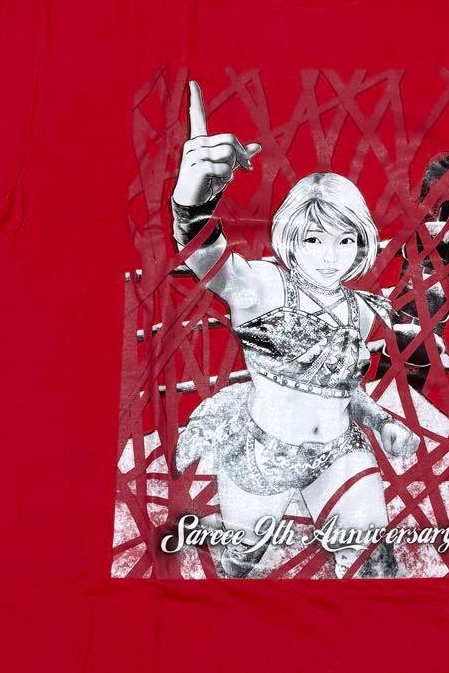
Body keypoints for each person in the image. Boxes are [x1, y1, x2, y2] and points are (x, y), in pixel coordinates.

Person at [169, 79, 420, 578]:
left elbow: (341, 389)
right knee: (240, 566)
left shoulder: (361, 309)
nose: (331, 257)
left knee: (374, 565)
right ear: (290, 236)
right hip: (264, 456)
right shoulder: (263, 286)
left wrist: (382, 422)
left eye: (345, 241)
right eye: (314, 239)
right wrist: (190, 204)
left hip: (340, 451)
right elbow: (206, 258)